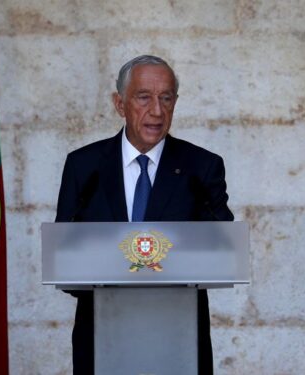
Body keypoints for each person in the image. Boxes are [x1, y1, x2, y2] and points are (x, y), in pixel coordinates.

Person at [55, 55, 234, 375]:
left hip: (178, 342)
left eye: (166, 98)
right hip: (102, 338)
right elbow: (65, 257)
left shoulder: (202, 167)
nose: (157, 111)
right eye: (144, 97)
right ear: (119, 104)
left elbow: (221, 249)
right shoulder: (84, 166)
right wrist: (116, 269)